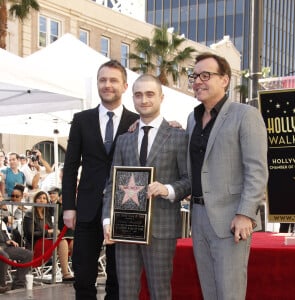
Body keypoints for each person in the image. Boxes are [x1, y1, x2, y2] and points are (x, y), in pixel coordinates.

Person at [186, 52, 268, 300]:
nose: (198, 81)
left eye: (205, 75)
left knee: (229, 293)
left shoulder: (245, 115)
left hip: (232, 219)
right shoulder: (192, 118)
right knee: (209, 292)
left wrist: (245, 214)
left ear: (224, 80)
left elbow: (257, 170)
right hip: (198, 218)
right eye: (194, 75)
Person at [102, 74, 191, 300]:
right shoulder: (124, 139)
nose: (144, 100)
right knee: (127, 293)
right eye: (139, 95)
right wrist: (107, 221)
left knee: (160, 292)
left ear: (161, 97)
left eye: (150, 94)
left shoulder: (179, 136)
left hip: (161, 229)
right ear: (132, 98)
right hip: (126, 228)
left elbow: (189, 180)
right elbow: (113, 183)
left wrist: (167, 189)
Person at [62, 60, 139, 300]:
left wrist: (171, 126)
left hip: (123, 209)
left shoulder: (137, 121)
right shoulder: (81, 119)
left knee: (118, 278)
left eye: (113, 80)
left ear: (125, 86)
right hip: (86, 209)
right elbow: (71, 166)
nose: (107, 85)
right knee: (83, 276)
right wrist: (68, 207)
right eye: (103, 80)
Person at [23, 191, 73, 282]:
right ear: (35, 200)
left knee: (72, 242)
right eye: (39, 198)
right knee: (62, 242)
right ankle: (65, 274)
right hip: (36, 243)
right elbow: (30, 234)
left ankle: (80, 271)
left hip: (47, 241)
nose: (42, 200)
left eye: (44, 198)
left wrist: (55, 231)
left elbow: (55, 223)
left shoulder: (47, 215)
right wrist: (48, 231)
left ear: (47, 201)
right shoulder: (29, 214)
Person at [0, 217, 32, 292]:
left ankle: (18, 284)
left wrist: (8, 240)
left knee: (28, 254)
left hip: (4, 246)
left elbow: (2, 233)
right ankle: (1, 285)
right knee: (4, 256)